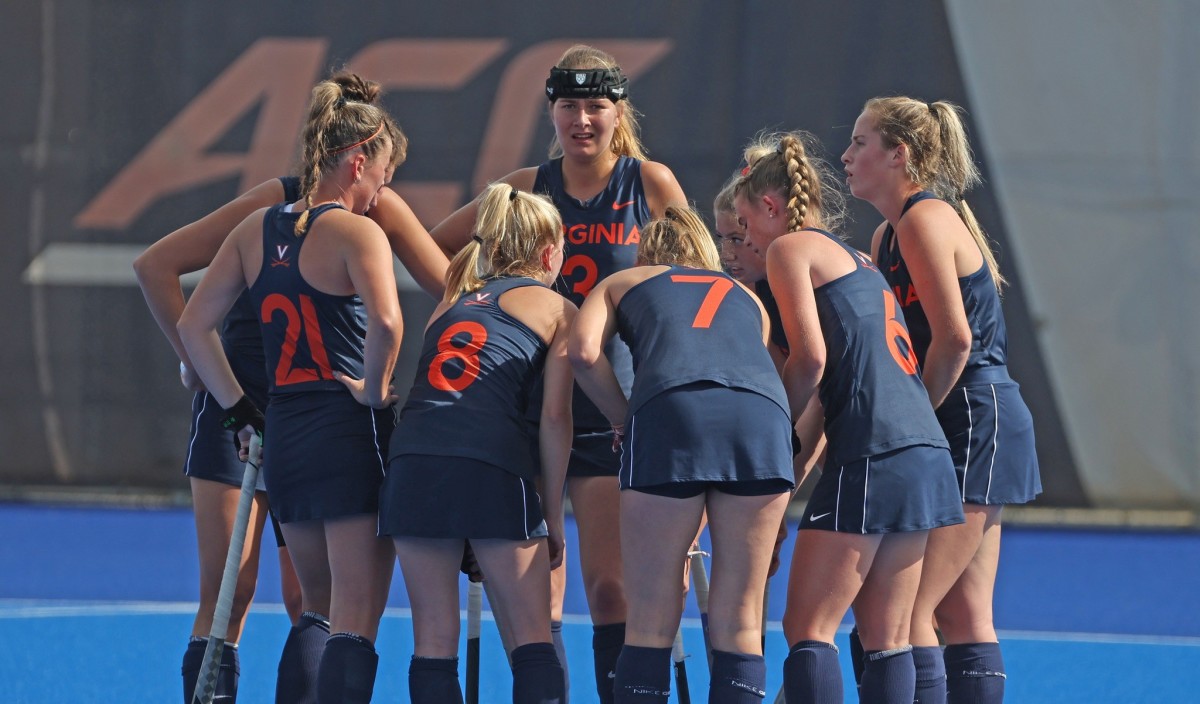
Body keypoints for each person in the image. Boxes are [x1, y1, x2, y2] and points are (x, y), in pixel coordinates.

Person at [133, 70, 448, 703]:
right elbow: (156, 266)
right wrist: (204, 375)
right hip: (254, 408)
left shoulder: (369, 211)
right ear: (356, 156)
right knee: (237, 591)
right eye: (383, 171)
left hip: (298, 415)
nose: (384, 187)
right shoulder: (274, 207)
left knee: (313, 597)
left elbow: (452, 290)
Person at [430, 44, 687, 702]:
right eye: (569, 106)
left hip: (609, 404)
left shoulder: (647, 183)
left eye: (595, 106)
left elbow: (693, 277)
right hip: (526, 404)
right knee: (536, 596)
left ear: (616, 112)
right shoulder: (524, 185)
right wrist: (479, 307)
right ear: (551, 110)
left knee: (609, 587)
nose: (582, 120)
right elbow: (436, 246)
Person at [734, 131, 964, 704]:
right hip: (924, 450)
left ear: (771, 208)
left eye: (745, 225)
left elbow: (810, 361)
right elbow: (832, 388)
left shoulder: (790, 250)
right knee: (889, 637)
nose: (747, 240)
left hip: (874, 449)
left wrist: (767, 435)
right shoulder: (855, 257)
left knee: (808, 629)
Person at [841, 96, 1041, 704]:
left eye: (859, 142)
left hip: (976, 415)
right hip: (964, 416)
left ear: (897, 154)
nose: (846, 156)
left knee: (904, 615)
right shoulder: (886, 234)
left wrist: (910, 423)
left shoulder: (924, 220)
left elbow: (955, 340)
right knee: (957, 615)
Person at [569, 204, 793, 703]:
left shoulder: (623, 281)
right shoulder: (745, 296)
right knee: (739, 622)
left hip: (669, 412)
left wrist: (622, 417)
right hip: (761, 420)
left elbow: (582, 353)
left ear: (646, 253)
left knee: (649, 621)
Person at [380, 183, 573, 704]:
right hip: (489, 462)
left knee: (433, 643)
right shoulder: (556, 307)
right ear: (550, 252)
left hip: (412, 461)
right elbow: (556, 418)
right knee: (533, 640)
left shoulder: (452, 303)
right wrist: (552, 518)